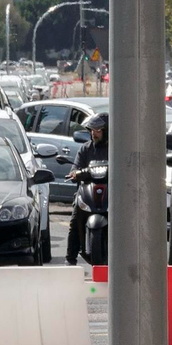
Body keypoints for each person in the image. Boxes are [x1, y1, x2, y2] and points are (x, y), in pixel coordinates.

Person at [65, 112, 109, 266]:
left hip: (111, 194)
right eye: (92, 130)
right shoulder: (85, 149)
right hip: (87, 192)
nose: (93, 133)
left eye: (97, 130)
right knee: (75, 219)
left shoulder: (116, 150)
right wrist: (75, 173)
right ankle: (70, 259)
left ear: (107, 131)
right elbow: (75, 168)